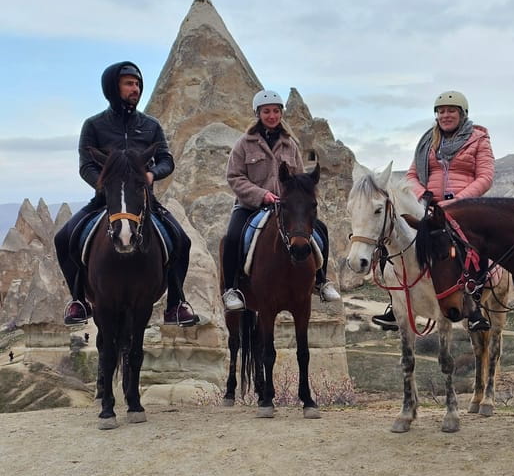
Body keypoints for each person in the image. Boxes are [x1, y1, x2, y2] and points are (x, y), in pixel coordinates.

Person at [53, 61, 198, 326]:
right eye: (129, 83)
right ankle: (78, 300)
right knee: (63, 238)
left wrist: (152, 174)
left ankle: (175, 303)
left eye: (138, 84)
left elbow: (166, 159)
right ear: (113, 87)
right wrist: (105, 185)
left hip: (143, 202)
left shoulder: (151, 125)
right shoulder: (94, 125)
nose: (136, 89)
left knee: (182, 241)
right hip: (104, 201)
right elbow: (86, 166)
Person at [371, 90, 495, 332]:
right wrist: (423, 195)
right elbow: (412, 175)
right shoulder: (428, 142)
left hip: (465, 207)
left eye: (451, 111)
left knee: (474, 248)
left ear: (462, 114)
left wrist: (458, 201)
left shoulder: (478, 139)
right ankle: (396, 303)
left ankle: (474, 306)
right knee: (394, 241)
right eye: (441, 111)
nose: (445, 115)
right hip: (429, 207)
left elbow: (485, 177)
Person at [220, 89, 340, 310]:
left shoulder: (290, 144)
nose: (272, 116)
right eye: (266, 111)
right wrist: (261, 195)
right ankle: (231, 289)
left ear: (281, 113)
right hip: (250, 206)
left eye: (276, 111)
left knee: (320, 230)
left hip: (286, 207)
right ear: (258, 113)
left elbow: (300, 178)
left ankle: (321, 280)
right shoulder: (244, 144)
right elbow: (234, 176)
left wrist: (297, 196)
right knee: (232, 237)